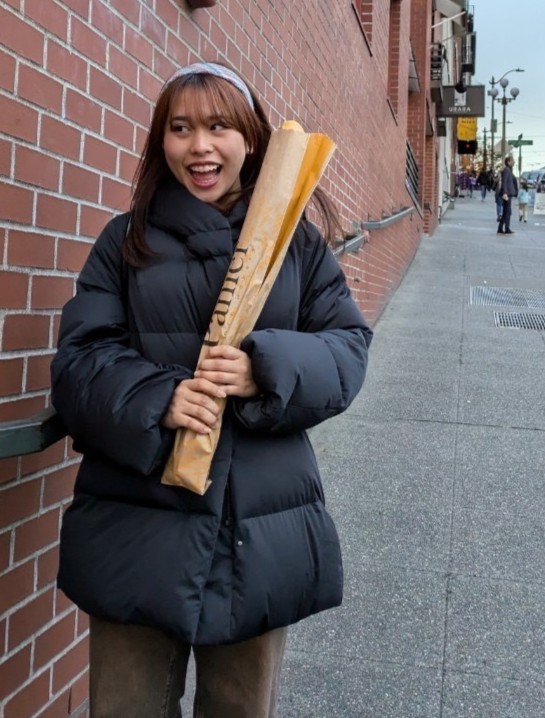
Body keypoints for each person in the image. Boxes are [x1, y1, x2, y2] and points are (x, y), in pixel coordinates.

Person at [50, 61, 373, 718]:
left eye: (218, 125)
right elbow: (79, 362)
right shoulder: (125, 242)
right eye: (180, 128)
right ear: (159, 141)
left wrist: (266, 368)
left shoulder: (297, 247)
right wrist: (156, 398)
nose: (199, 147)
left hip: (255, 532)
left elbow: (346, 350)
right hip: (135, 529)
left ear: (250, 137)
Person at [497, 156, 518, 235]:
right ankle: (506, 228)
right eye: (513, 161)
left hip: (509, 194)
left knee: (507, 212)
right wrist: (505, 192)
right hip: (507, 194)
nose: (514, 162)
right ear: (508, 162)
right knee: (507, 212)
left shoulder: (509, 170)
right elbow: (504, 182)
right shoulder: (507, 170)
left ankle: (502, 228)